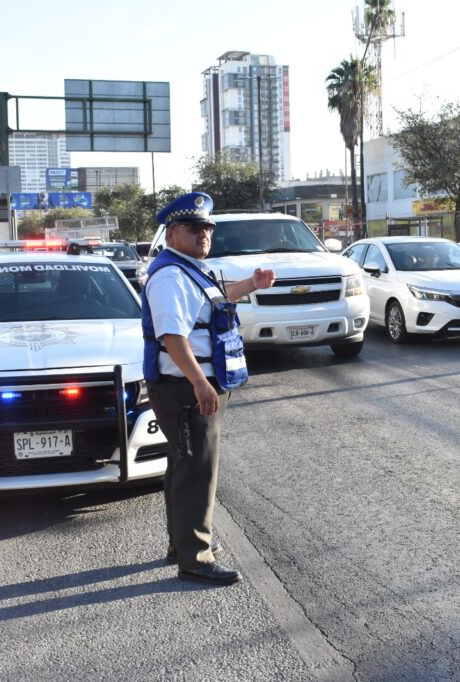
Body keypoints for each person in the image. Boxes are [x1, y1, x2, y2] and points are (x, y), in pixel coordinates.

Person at [141, 191, 276, 585]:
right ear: (171, 235)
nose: (203, 234)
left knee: (184, 466)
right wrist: (201, 384)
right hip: (185, 387)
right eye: (193, 228)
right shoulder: (170, 276)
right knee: (196, 470)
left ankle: (183, 543)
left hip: (191, 383)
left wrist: (250, 284)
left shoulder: (191, 269)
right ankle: (195, 557)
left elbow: (215, 300)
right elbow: (172, 337)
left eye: (207, 228)